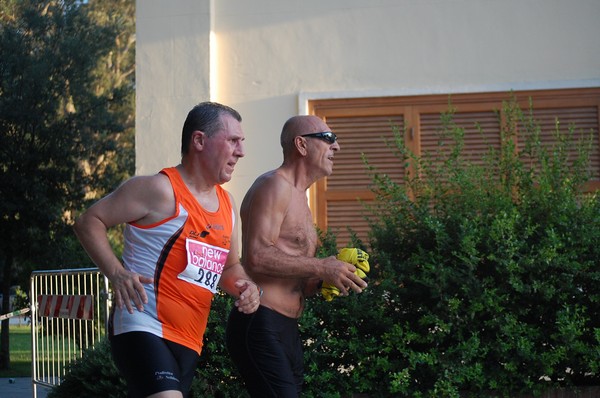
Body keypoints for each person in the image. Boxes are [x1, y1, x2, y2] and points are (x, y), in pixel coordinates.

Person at [74, 102, 261, 398]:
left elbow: (229, 267)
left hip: (189, 340)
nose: (241, 151)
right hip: (142, 325)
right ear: (199, 141)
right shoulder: (159, 189)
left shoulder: (227, 205)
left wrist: (247, 288)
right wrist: (117, 273)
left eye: (242, 142)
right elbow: (88, 221)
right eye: (233, 141)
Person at [226, 115, 368, 397]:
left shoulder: (300, 197)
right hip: (260, 320)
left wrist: (324, 281)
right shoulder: (274, 186)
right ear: (301, 145)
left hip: (286, 327)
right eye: (328, 138)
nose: (336, 146)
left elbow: (292, 274)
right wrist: (322, 266)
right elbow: (255, 257)